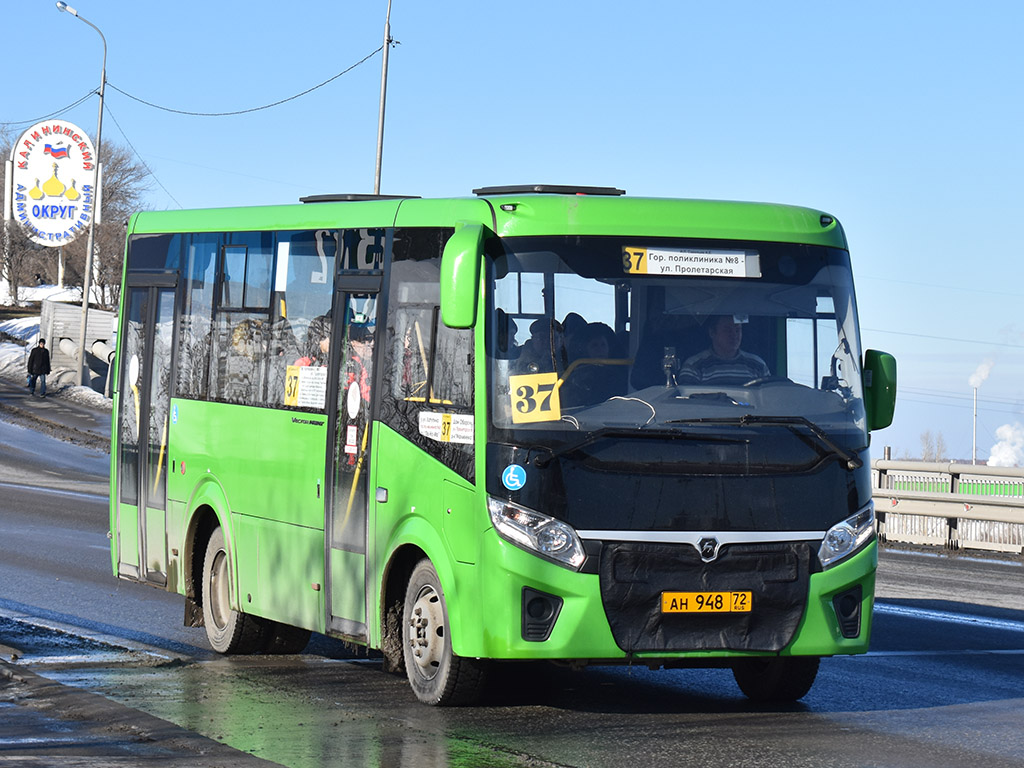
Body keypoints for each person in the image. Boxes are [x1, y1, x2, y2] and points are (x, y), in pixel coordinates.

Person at [679, 315, 769, 385]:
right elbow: (688, 404)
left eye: (737, 330)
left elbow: (768, 398)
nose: (734, 335)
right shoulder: (694, 366)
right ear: (712, 333)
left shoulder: (758, 365)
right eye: (727, 330)